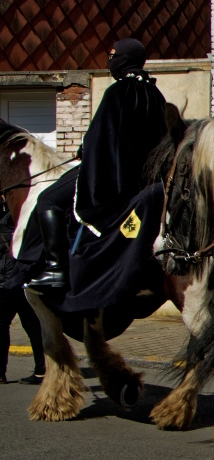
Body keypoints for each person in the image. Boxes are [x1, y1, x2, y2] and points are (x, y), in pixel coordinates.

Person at [27, 38, 166, 289]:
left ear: (124, 59)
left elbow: (100, 138)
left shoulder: (118, 91)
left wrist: (84, 148)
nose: (109, 62)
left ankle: (55, 268)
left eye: (113, 56)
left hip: (112, 178)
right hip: (143, 180)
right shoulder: (153, 92)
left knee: (47, 200)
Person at [0, 197, 46, 384]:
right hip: (21, 280)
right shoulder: (23, 219)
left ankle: (1, 373)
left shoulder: (9, 221)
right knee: (33, 327)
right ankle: (41, 370)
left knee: (9, 326)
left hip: (8, 282)